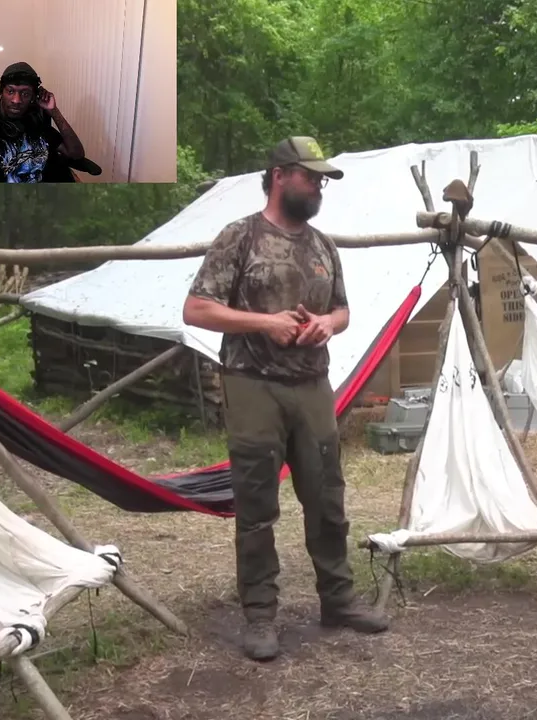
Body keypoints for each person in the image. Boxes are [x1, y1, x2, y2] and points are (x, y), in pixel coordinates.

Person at [182, 136, 388, 662]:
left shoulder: (323, 246)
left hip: (312, 386)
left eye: (322, 180)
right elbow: (196, 309)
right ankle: (260, 615)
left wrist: (327, 324)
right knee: (257, 504)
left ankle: (337, 601)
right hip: (253, 384)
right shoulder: (241, 236)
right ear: (279, 175)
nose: (319, 186)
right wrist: (264, 323)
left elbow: (342, 310)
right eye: (310, 177)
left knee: (327, 499)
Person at [0, 62, 86, 182]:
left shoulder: (35, 120)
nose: (16, 100)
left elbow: (76, 153)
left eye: (25, 93)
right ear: (1, 92)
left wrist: (54, 111)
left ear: (33, 97)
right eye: (10, 91)